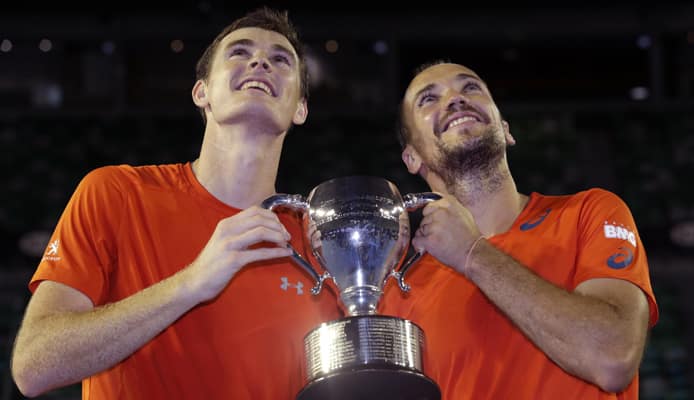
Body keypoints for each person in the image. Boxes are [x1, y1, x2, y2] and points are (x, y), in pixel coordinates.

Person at [11, 7, 340, 399]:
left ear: (300, 108)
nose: (260, 61)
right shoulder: (117, 193)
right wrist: (192, 283)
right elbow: (33, 366)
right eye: (239, 52)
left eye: (280, 59)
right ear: (202, 92)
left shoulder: (318, 240)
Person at [378, 61, 658, 399]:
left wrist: (472, 252)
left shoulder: (588, 213)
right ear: (411, 158)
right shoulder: (398, 290)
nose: (455, 98)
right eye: (428, 99)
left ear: (506, 130)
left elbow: (613, 358)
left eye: (470, 88)